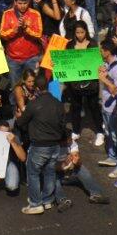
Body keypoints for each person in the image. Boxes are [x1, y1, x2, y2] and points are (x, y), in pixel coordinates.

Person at [16, 83, 71, 214]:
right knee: (50, 172)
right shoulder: (58, 104)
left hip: (39, 146)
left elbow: (21, 123)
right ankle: (48, 200)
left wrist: (19, 117)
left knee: (33, 173)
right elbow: (64, 125)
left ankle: (35, 204)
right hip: (55, 145)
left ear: (38, 88)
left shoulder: (34, 104)